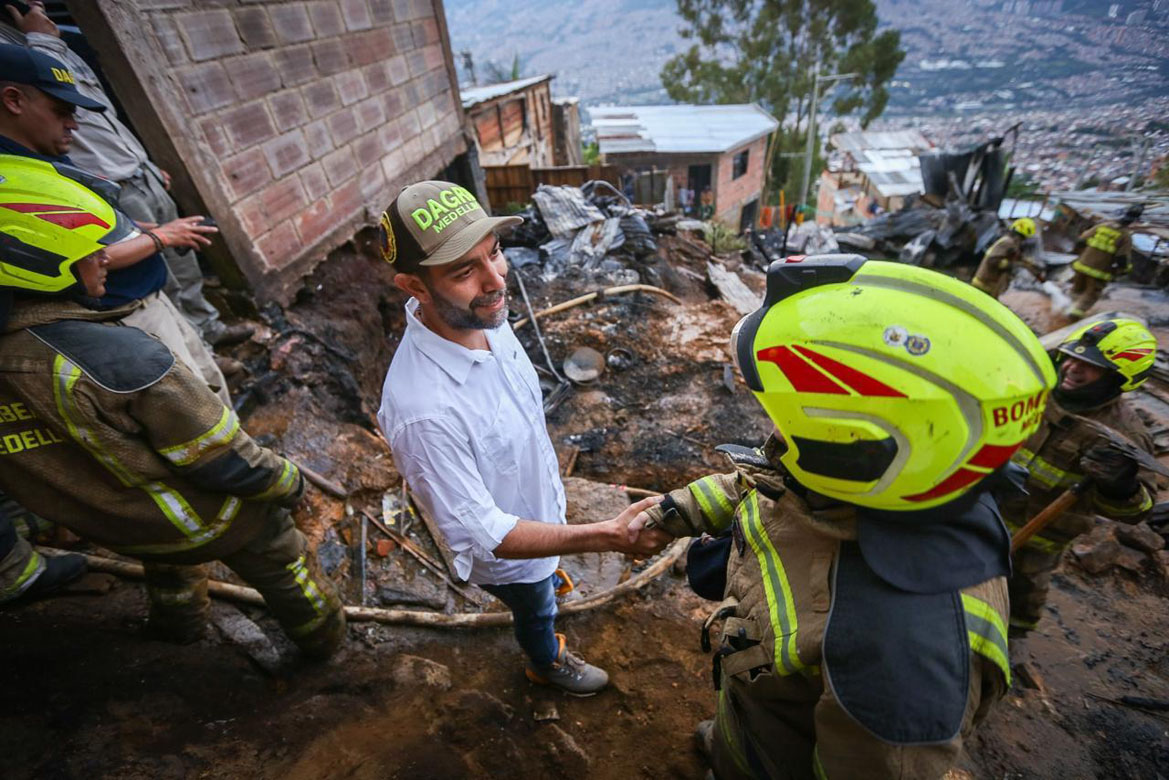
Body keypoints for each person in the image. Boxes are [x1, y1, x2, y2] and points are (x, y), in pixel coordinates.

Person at [635, 255, 1056, 778]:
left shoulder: (900, 660)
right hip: (758, 711)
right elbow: (764, 481)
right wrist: (675, 511)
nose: (773, 426)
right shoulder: (876, 478)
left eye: (783, 414)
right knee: (734, 741)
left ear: (849, 443)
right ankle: (729, 744)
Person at [0, 158, 345, 657]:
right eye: (93, 251)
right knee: (283, 560)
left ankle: (178, 627)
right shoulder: (123, 360)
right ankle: (325, 646)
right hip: (204, 518)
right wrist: (288, 483)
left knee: (166, 561)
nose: (106, 259)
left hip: (120, 525)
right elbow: (223, 459)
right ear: (42, 264)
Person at [376, 180, 670, 695]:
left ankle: (547, 579)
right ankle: (545, 661)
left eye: (495, 254)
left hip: (541, 512)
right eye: (464, 270)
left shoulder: (485, 316)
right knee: (535, 606)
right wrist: (606, 536)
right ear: (415, 287)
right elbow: (490, 533)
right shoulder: (423, 411)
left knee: (543, 581)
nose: (495, 280)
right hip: (514, 559)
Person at [0, 2, 252, 347]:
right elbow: (90, 256)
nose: (71, 121)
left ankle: (206, 329)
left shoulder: (66, 50)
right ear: (13, 102)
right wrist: (42, 40)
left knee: (181, 261)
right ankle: (196, 340)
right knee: (157, 273)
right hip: (113, 187)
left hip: (138, 171)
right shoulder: (23, 60)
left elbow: (106, 120)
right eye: (62, 112)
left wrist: (143, 163)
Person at [1003, 317, 1156, 634]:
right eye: (1071, 355)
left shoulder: (1125, 435)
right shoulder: (1032, 387)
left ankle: (1012, 642)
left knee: (1022, 598)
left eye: (1090, 365)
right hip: (983, 513)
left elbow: (1138, 512)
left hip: (1040, 540)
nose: (1071, 367)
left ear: (1119, 378)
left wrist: (1119, 487)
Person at [1066, 205, 1142, 320]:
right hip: (1099, 271)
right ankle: (1074, 314)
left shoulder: (1102, 226)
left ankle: (1064, 307)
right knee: (1091, 294)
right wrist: (1124, 270)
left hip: (1082, 265)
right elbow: (1122, 258)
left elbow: (1081, 239)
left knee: (1077, 289)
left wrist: (1083, 255)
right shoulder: (1125, 236)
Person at [971, 217, 1045, 299]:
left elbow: (1016, 259)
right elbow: (992, 261)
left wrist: (1029, 265)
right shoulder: (1007, 243)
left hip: (989, 287)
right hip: (983, 286)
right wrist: (1014, 265)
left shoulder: (1011, 244)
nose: (1022, 241)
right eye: (1023, 238)